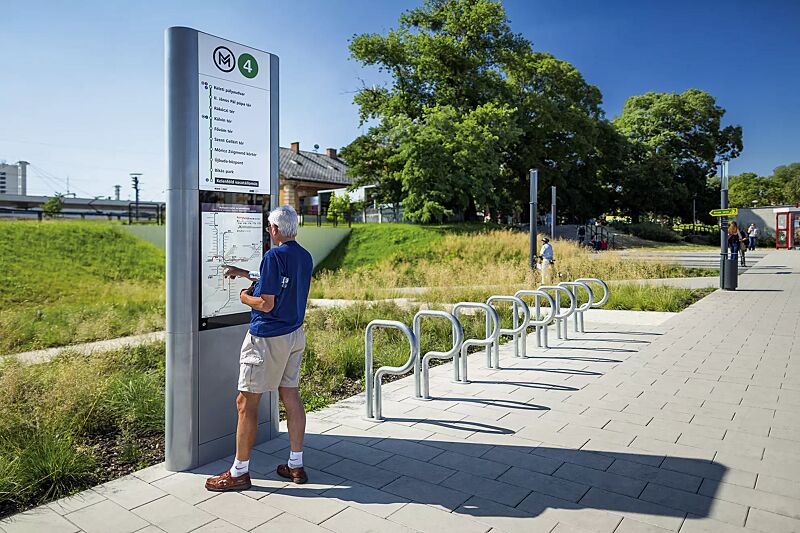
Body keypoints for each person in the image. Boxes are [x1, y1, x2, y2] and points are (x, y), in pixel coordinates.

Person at [205, 206, 313, 492]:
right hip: (294, 335)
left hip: (266, 338)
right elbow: (281, 279)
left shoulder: (273, 255)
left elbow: (266, 303)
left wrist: (244, 298)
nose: (268, 231)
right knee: (290, 395)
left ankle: (239, 472)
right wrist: (246, 273)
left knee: (245, 404)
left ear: (275, 229)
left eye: (269, 227)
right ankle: (295, 464)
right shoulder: (303, 256)